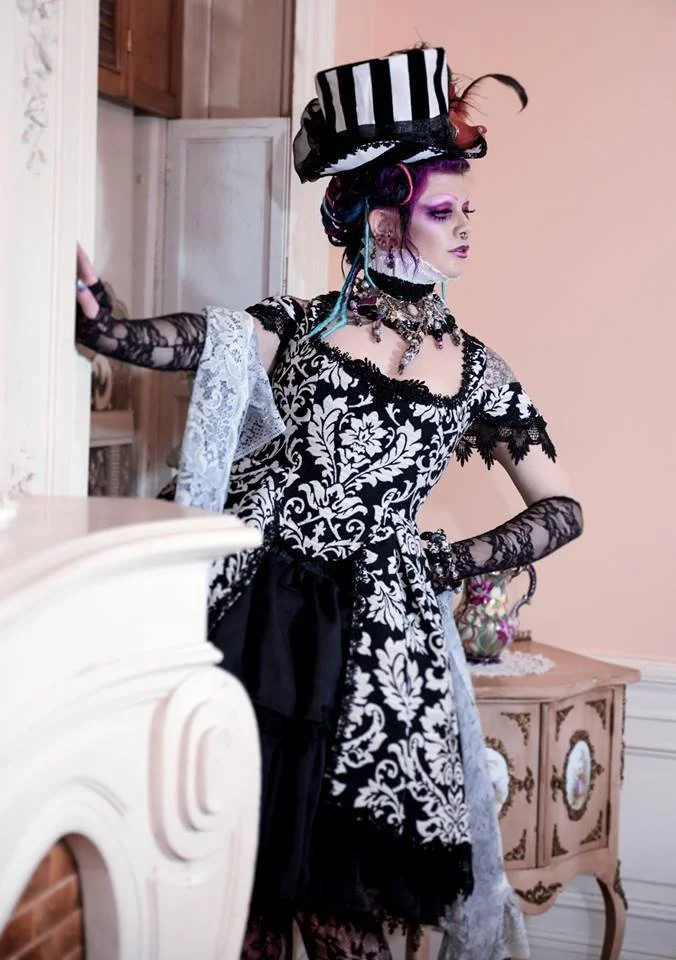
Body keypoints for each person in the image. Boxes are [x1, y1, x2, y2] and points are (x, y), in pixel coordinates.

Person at [76, 45, 583, 960]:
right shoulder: (301, 324)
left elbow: (562, 508)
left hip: (376, 644)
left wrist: (450, 561)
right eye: (443, 212)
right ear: (384, 218)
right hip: (260, 618)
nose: (465, 228)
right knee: (243, 892)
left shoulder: (478, 371)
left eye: (467, 210)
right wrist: (108, 325)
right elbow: (193, 342)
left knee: (343, 913)